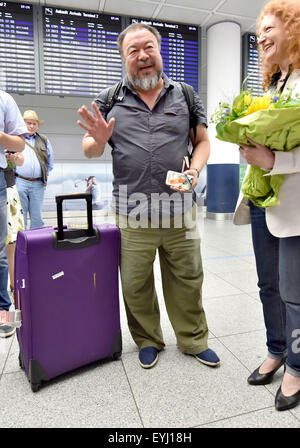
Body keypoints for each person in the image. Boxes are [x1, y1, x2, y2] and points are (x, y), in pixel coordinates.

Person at [78, 22, 220, 369]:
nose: (142, 56)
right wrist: (97, 138)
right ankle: (148, 339)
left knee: (188, 278)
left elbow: (201, 142)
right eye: (133, 51)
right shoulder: (110, 99)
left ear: (159, 51)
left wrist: (195, 170)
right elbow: (90, 150)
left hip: (179, 210)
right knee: (135, 284)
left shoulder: (185, 95)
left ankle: (193, 339)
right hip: (132, 213)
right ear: (123, 58)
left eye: (149, 48)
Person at [234, 0, 300, 411]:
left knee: (295, 293)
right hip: (262, 200)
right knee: (268, 286)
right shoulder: (274, 87)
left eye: (269, 25)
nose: (260, 35)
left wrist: (276, 160)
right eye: (258, 29)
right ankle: (276, 349)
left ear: (294, 28)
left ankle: (296, 365)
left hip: (293, 206)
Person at [0, 91, 27, 338]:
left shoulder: (4, 100)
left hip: (8, 189)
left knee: (10, 243)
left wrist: (9, 153)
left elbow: (18, 155)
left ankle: (10, 292)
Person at [15, 110, 54, 229]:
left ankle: (36, 245)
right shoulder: (16, 138)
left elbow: (50, 163)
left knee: (37, 218)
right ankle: (21, 245)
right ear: (23, 124)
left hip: (38, 183)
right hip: (19, 182)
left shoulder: (44, 140)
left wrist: (42, 175)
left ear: (37, 125)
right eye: (28, 123)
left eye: (34, 123)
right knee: (20, 216)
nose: (32, 126)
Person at [4, 151, 25, 296]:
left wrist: (12, 157)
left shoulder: (8, 134)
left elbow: (20, 159)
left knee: (12, 245)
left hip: (8, 191)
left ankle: (14, 297)